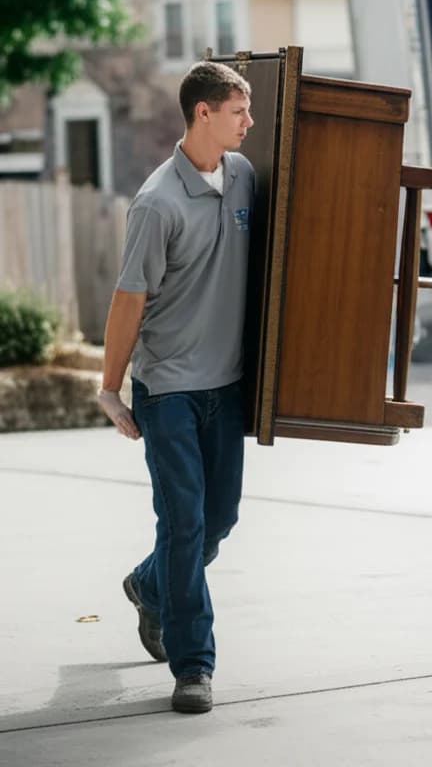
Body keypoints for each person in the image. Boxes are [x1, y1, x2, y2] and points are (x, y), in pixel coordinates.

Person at [97, 60, 255, 714]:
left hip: (227, 384)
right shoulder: (157, 203)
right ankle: (194, 667)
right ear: (203, 115)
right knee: (184, 524)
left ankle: (149, 585)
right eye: (239, 111)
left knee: (218, 520)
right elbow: (128, 299)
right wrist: (110, 388)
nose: (249, 122)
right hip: (167, 389)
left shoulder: (244, 177)